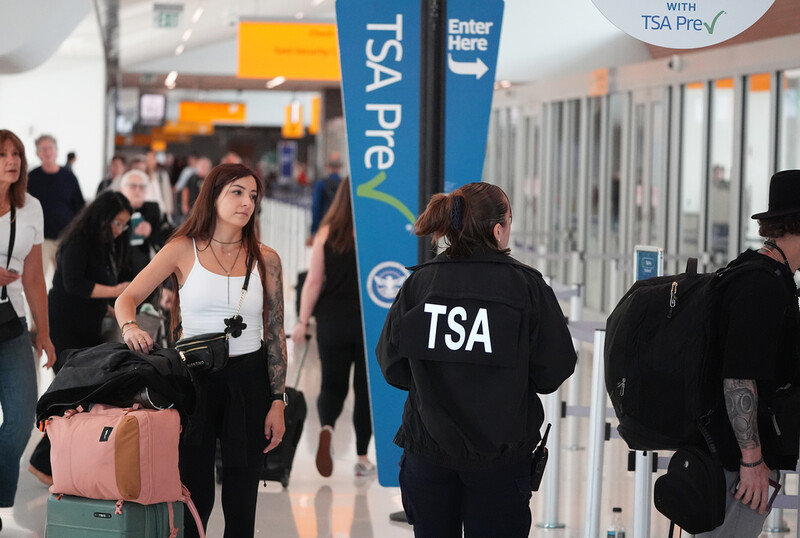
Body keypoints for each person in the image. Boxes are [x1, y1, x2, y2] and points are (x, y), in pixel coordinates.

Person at [376, 182, 577, 537]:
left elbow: (392, 364)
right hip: (501, 458)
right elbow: (554, 370)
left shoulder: (420, 283)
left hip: (428, 451)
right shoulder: (526, 286)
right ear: (498, 229)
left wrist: (434, 378)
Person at [114, 163, 288, 538]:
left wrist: (277, 400)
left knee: (242, 503)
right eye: (237, 192)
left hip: (250, 383)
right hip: (195, 382)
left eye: (253, 195)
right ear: (213, 196)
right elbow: (126, 298)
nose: (247, 202)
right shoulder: (182, 248)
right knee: (195, 498)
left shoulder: (266, 258)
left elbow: (275, 333)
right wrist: (129, 327)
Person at [696, 170, 800, 537]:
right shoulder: (762, 286)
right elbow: (738, 377)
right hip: (737, 463)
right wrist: (752, 460)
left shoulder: (762, 273)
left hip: (734, 456)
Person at [28, 190, 133, 484]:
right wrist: (115, 291)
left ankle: (54, 463)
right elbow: (73, 285)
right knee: (71, 397)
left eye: (124, 225)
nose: (119, 230)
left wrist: (111, 309)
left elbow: (92, 289)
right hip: (63, 327)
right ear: (102, 217)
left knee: (81, 397)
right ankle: (42, 462)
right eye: (117, 223)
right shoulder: (80, 241)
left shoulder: (104, 245)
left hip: (86, 329)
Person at [291, 177, 374, 477]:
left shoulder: (326, 233)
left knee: (331, 385)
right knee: (365, 391)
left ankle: (327, 427)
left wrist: (302, 321)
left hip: (331, 320)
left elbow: (313, 282)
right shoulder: (374, 232)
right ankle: (363, 458)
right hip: (368, 324)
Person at [0, 130, 56, 528]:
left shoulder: (30, 207)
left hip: (11, 324)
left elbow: (34, 276)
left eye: (16, 153)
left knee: (22, 419)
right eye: (2, 154)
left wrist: (44, 331)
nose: (11, 160)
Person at [26, 134, 85, 285]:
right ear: (38, 153)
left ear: (56, 151)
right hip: (40, 238)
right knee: (36, 281)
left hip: (65, 237)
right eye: (43, 149)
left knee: (65, 280)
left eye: (50, 148)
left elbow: (80, 207)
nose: (47, 152)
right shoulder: (31, 178)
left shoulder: (68, 177)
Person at [309, 151, 344, 240]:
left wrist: (313, 230)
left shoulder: (320, 184)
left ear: (327, 165)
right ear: (341, 166)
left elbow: (316, 208)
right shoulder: (345, 185)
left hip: (324, 227)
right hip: (342, 228)